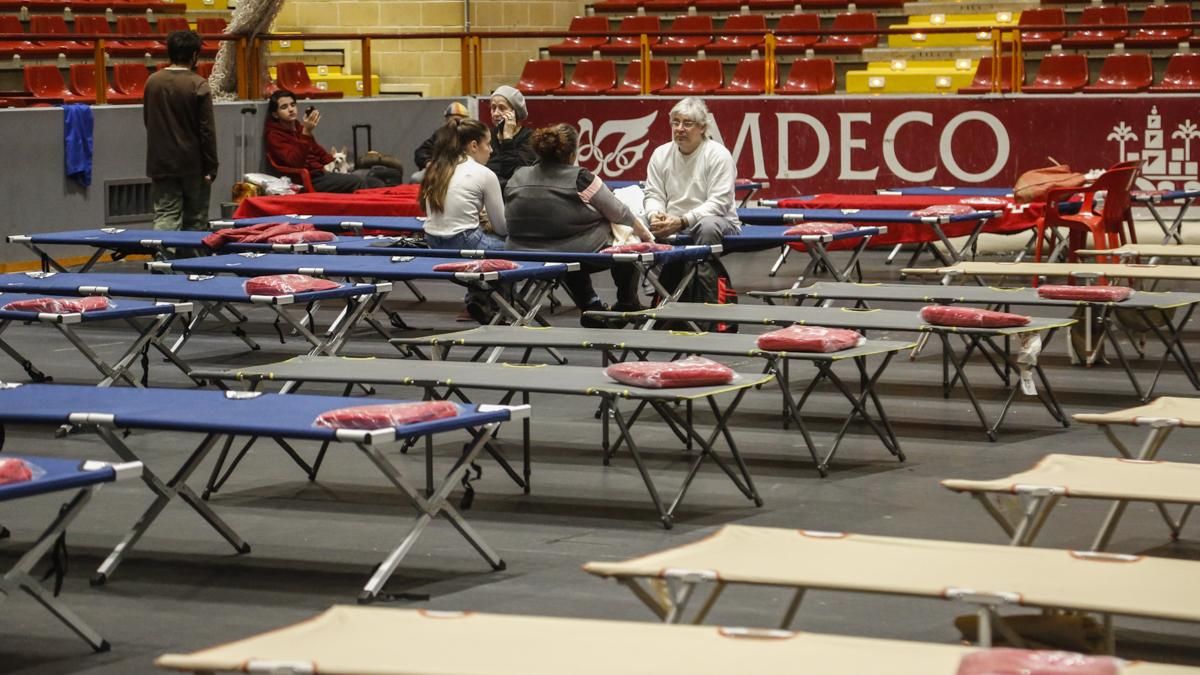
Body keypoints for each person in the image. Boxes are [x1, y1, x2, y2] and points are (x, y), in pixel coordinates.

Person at [506, 123, 653, 326]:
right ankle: (627, 302)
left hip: (520, 254)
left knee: (567, 251)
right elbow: (620, 212)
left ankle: (590, 304)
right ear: (572, 154)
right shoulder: (581, 178)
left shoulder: (517, 174)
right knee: (625, 237)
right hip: (571, 253)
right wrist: (646, 235)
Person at [643, 97, 740, 303]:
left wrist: (682, 221)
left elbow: (719, 203)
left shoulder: (718, 155)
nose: (679, 128)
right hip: (673, 222)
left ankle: (705, 296)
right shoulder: (660, 154)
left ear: (703, 127)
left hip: (717, 222)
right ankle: (631, 298)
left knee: (706, 227)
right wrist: (655, 216)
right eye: (675, 122)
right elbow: (654, 194)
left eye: (687, 123)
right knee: (631, 222)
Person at [143, 30, 217, 233]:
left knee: (165, 215)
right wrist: (212, 166)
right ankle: (191, 264)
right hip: (194, 164)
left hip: (161, 162)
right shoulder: (198, 84)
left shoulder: (152, 82)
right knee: (195, 220)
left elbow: (148, 121)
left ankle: (163, 261)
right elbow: (207, 131)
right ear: (194, 55)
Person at [263, 89, 381, 193]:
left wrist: (336, 162)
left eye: (293, 105)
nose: (291, 109)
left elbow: (318, 152)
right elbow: (295, 162)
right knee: (356, 181)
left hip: (321, 173)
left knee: (375, 179)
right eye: (284, 107)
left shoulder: (298, 127)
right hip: (308, 179)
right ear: (275, 114)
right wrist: (306, 133)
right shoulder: (274, 136)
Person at [486, 85, 535, 188]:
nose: (495, 113)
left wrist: (507, 138)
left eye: (502, 108)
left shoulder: (530, 138)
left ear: (515, 112)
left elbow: (515, 174)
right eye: (493, 108)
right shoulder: (487, 135)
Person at [411, 101, 469, 183]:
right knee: (416, 178)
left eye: (459, 120)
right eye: (453, 119)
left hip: (464, 170)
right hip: (441, 170)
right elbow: (422, 152)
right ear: (446, 120)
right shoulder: (440, 134)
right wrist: (428, 163)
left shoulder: (470, 135)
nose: (456, 124)